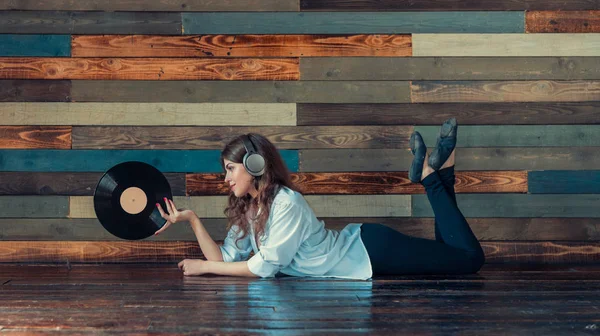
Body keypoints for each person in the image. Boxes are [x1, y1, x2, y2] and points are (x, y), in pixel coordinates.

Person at [154, 118, 485, 279]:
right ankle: (443, 171)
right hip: (364, 252)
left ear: (254, 166)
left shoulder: (285, 202)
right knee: (453, 255)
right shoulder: (249, 208)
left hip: (370, 252)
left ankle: (432, 177)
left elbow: (265, 267)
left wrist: (204, 268)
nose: (225, 178)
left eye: (230, 169)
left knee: (470, 261)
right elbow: (226, 260)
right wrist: (192, 220)